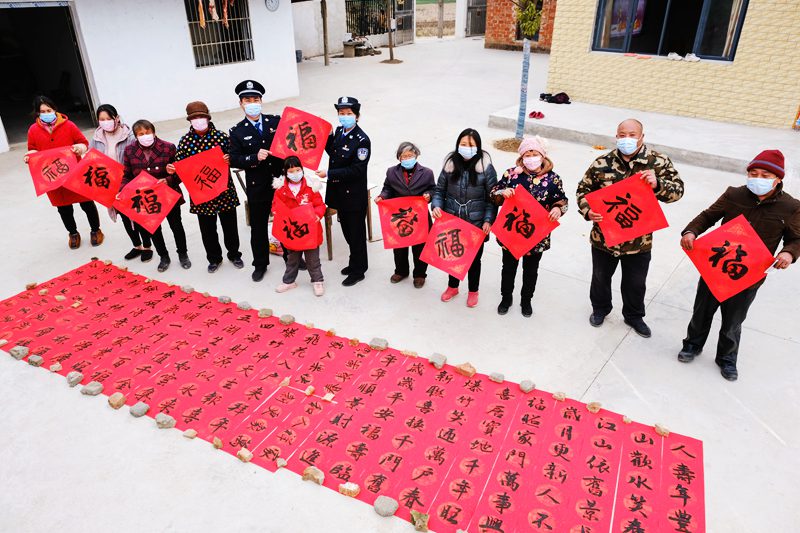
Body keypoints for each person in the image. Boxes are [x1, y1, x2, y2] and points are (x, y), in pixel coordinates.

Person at [678, 150, 800, 381]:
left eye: (765, 175)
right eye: (753, 173)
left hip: (749, 275)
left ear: (778, 179)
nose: (758, 178)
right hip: (716, 265)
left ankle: (727, 358)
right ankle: (692, 345)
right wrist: (691, 231)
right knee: (702, 310)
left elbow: (796, 239)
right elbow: (707, 216)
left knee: (733, 320)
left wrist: (788, 254)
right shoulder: (734, 195)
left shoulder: (791, 207)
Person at [576, 119, 684, 337]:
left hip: (639, 240)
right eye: (622, 135)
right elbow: (583, 190)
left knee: (635, 283)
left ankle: (634, 316)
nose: (627, 139)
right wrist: (588, 211)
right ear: (616, 136)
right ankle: (600, 309)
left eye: (632, 134)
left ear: (642, 137)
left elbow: (678, 192)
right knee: (600, 277)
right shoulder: (602, 162)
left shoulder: (657, 162)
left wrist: (658, 185)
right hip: (604, 238)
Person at [491, 136, 567, 317]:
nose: (531, 158)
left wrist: (558, 208)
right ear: (521, 156)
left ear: (542, 156)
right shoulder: (511, 174)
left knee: (531, 270)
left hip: (536, 235)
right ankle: (506, 298)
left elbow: (562, 200)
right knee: (508, 268)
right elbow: (493, 194)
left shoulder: (553, 179)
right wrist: (503, 192)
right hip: (512, 232)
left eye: (534, 154)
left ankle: (526, 300)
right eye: (527, 154)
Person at [25, 95, 102, 249]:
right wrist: (30, 156)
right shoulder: (33, 130)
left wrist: (79, 148)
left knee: (87, 203)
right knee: (64, 208)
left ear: (54, 109)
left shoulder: (69, 125)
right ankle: (73, 233)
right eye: (42, 111)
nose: (46, 113)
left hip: (75, 172)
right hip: (52, 176)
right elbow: (32, 148)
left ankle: (96, 230)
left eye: (49, 109)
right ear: (37, 114)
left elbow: (83, 142)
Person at [431, 128, 498, 307]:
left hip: (475, 223)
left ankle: (473, 291)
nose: (466, 148)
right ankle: (453, 287)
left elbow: (493, 198)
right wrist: (436, 206)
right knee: (453, 255)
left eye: (470, 145)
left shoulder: (485, 167)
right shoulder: (450, 164)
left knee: (474, 260)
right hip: (452, 219)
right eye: (463, 144)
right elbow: (439, 190)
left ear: (478, 147)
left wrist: (488, 220)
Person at [175, 101, 243, 273]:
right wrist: (174, 169)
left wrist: (230, 159)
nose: (198, 120)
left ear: (208, 117)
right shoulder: (185, 141)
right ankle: (214, 258)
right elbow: (180, 166)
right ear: (189, 120)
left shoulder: (221, 137)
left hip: (224, 190)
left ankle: (234, 254)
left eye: (201, 117)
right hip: (201, 193)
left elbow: (235, 157)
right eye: (194, 118)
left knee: (230, 225)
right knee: (207, 229)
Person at [229, 79, 284, 282]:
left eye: (255, 99)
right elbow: (233, 159)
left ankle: (292, 257)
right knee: (259, 226)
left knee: (285, 220)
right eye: (247, 99)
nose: (252, 102)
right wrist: (253, 157)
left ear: (261, 101)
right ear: (241, 103)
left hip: (280, 180)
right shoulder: (237, 131)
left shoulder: (275, 122)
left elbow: (293, 140)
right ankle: (260, 264)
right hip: (257, 185)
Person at [315, 96, 371, 287]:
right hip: (339, 194)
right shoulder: (339, 131)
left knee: (355, 234)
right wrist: (327, 137)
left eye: (349, 114)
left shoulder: (362, 140)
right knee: (347, 231)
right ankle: (354, 263)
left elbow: (357, 170)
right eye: (341, 113)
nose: (345, 117)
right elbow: (335, 153)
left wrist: (329, 173)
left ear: (357, 116)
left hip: (353, 196)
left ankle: (359, 270)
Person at [122, 119, 191, 271]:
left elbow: (180, 172)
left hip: (168, 195)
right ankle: (164, 256)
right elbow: (126, 174)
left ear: (153, 132)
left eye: (148, 132)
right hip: (146, 198)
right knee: (154, 229)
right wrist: (123, 190)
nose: (145, 136)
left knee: (176, 226)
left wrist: (168, 180)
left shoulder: (168, 147)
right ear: (135, 136)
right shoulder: (129, 151)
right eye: (141, 134)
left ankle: (183, 254)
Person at [375, 141, 436, 288]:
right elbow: (387, 188)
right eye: (404, 156)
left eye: (410, 155)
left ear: (416, 155)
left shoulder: (427, 173)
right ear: (399, 158)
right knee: (400, 246)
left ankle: (420, 274)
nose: (407, 158)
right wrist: (382, 197)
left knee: (419, 247)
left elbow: (434, 189)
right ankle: (401, 271)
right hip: (399, 216)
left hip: (418, 216)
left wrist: (429, 195)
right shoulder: (391, 172)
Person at [273, 156, 326, 296]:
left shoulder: (311, 186)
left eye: (298, 170)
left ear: (302, 170)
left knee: (313, 259)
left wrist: (317, 215)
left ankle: (317, 281)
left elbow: (320, 205)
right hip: (292, 231)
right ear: (286, 172)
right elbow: (276, 206)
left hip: (310, 230)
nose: (295, 174)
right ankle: (289, 281)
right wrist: (276, 213)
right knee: (292, 259)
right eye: (291, 171)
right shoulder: (280, 189)